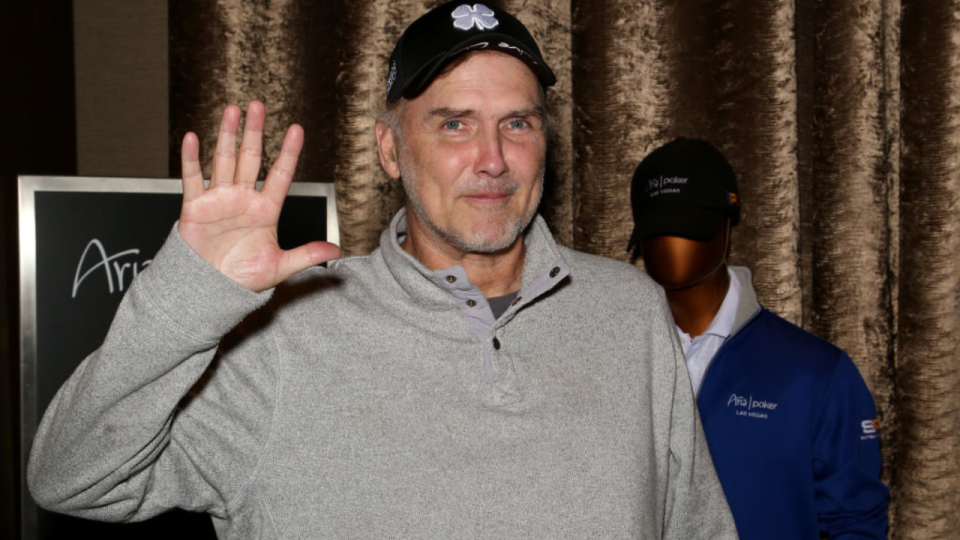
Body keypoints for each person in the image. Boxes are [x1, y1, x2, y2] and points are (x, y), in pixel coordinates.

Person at [28, 3, 738, 538]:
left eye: (517, 123)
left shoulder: (629, 311)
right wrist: (190, 294)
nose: (492, 159)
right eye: (454, 123)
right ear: (391, 150)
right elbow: (70, 479)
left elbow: (700, 527)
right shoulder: (279, 333)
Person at [627, 137, 889, 539]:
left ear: (726, 224)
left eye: (688, 225)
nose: (671, 245)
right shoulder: (611, 359)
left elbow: (854, 521)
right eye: (659, 227)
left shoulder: (815, 374)